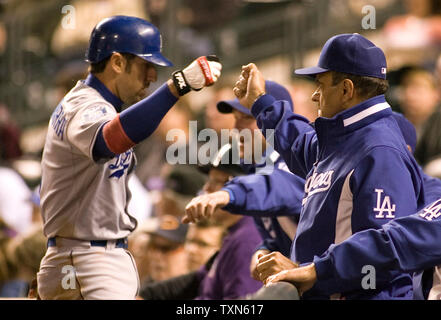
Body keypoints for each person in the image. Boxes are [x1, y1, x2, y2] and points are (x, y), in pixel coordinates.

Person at [37, 15, 222, 300]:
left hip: (87, 256)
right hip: (88, 259)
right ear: (117, 63)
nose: (151, 76)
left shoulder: (94, 105)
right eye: (146, 65)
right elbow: (108, 140)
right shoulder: (85, 106)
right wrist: (177, 87)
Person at [234, 33, 426, 299]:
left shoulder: (379, 150)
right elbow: (298, 143)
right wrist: (260, 101)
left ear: (346, 89)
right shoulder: (345, 137)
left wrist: (312, 271)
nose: (315, 95)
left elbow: (385, 252)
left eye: (320, 84)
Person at [183, 80, 304, 283]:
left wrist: (227, 193)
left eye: (247, 118)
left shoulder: (295, 162)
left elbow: (276, 187)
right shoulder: (258, 167)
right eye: (235, 119)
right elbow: (281, 237)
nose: (235, 129)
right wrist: (264, 249)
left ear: (275, 122)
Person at [140, 143, 263, 300]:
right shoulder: (236, 232)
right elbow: (197, 280)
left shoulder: (248, 239)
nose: (206, 189)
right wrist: (147, 295)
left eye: (215, 182)